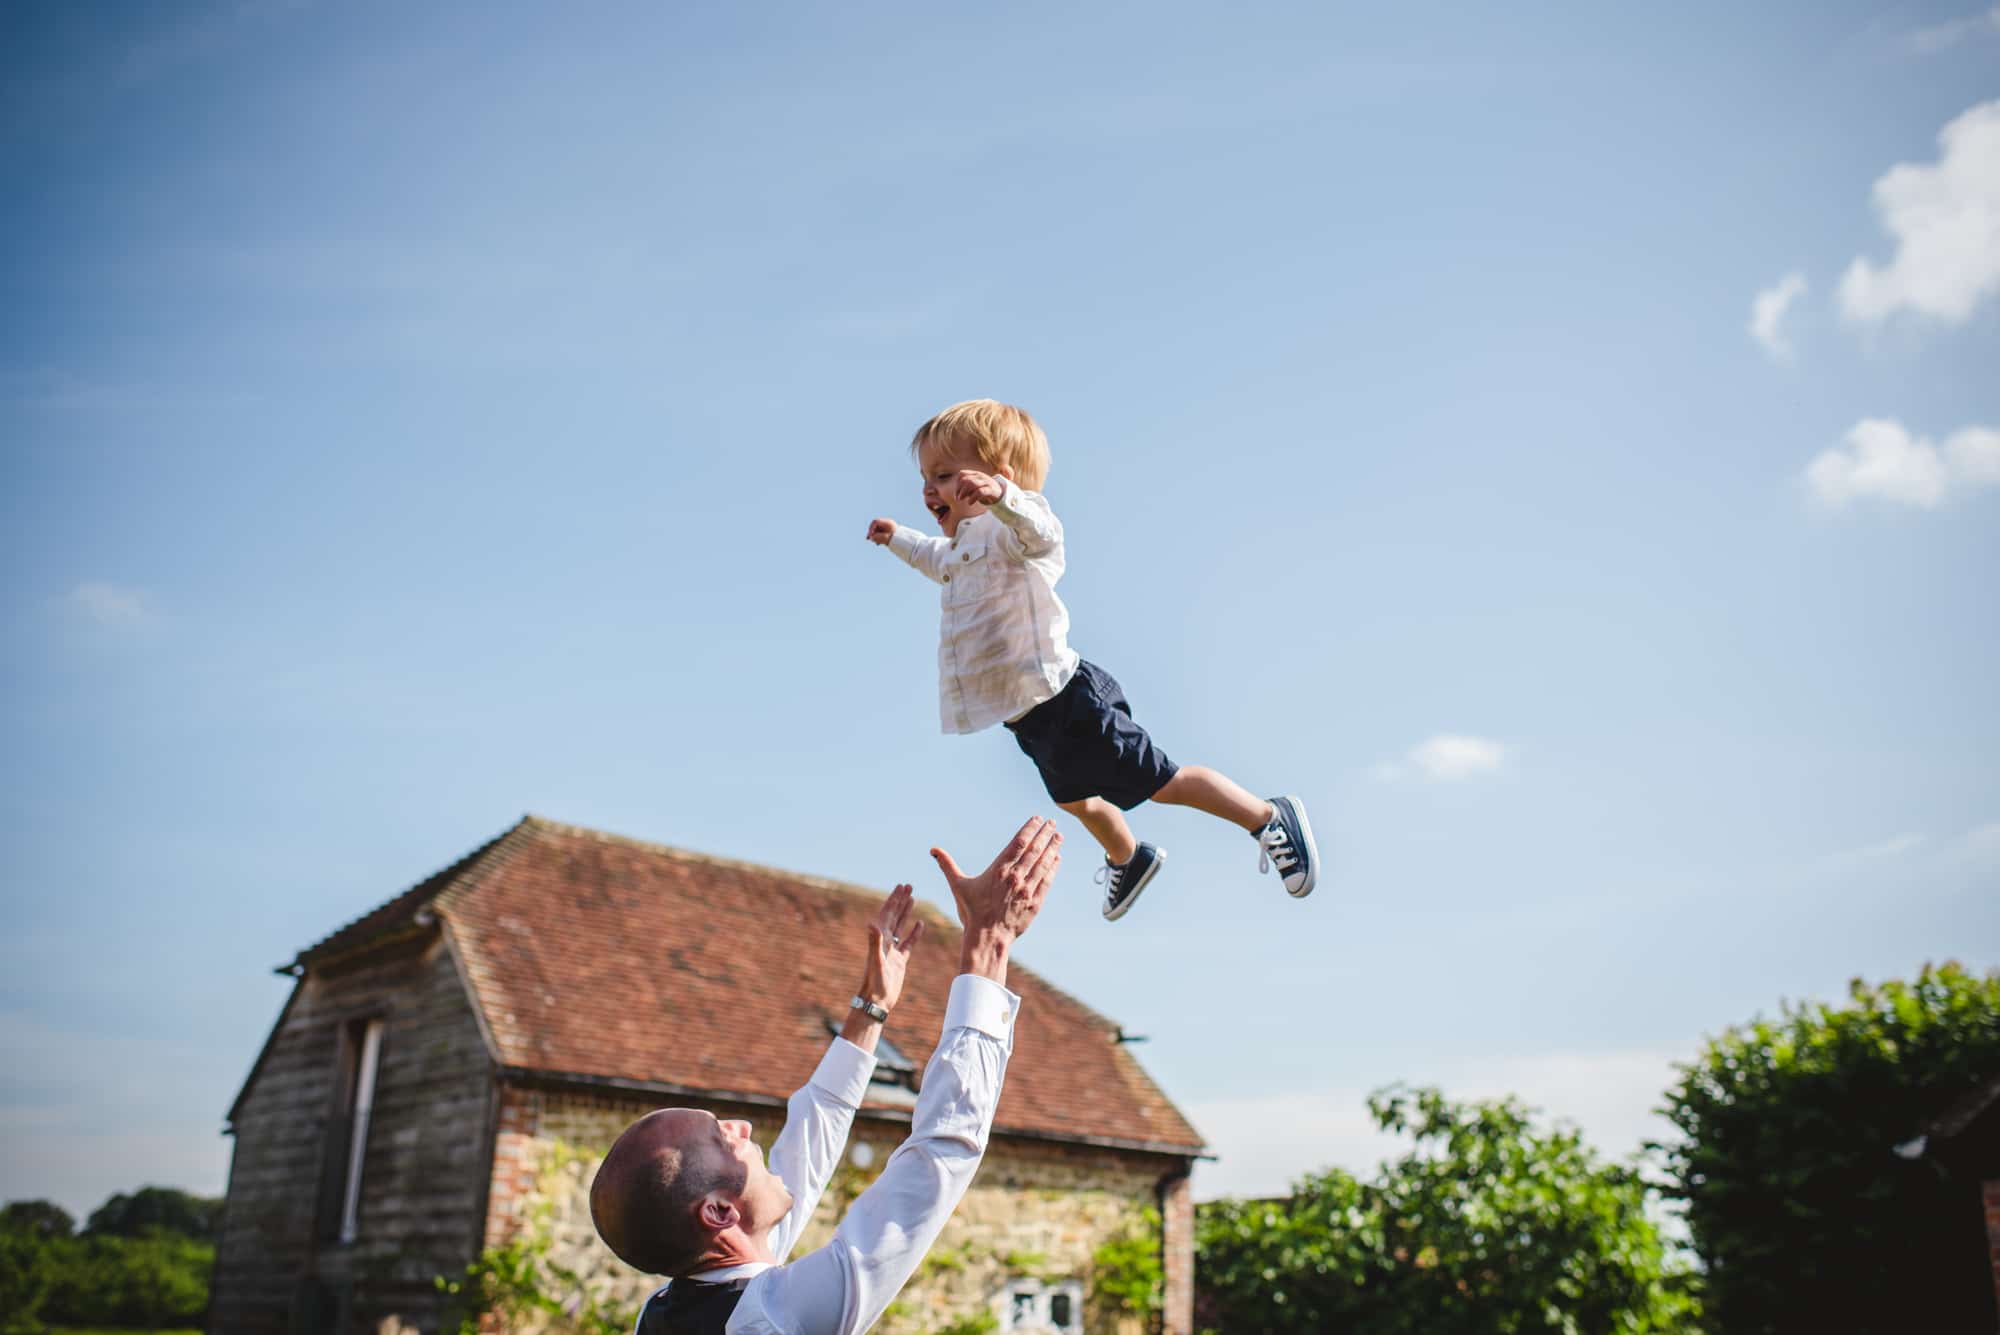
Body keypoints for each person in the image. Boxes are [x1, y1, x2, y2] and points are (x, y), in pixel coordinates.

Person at [590, 816, 1062, 1335]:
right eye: (721, 1139)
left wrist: (871, 1009)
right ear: (720, 1212)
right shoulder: (769, 1316)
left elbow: (808, 1143)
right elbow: (936, 1159)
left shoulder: (667, 1310)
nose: (741, 1127)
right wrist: (989, 942)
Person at [865, 398, 1320, 921]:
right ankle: (1130, 857)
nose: (928, 490)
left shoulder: (1015, 532)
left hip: (1068, 700)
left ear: (998, 478)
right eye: (925, 477)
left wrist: (1004, 498)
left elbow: (1041, 528)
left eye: (944, 475)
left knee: (1161, 782)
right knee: (1076, 799)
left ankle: (1265, 817)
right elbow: (931, 557)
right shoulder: (959, 548)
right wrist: (897, 537)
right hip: (1028, 717)